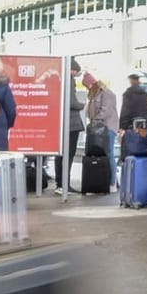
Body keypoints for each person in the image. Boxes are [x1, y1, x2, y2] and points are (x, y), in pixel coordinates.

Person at [83, 72, 118, 189]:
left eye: (88, 86)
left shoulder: (106, 93)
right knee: (102, 155)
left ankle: (112, 183)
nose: (87, 89)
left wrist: (94, 120)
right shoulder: (95, 93)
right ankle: (105, 181)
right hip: (98, 129)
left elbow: (105, 111)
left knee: (109, 153)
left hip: (108, 128)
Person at [59, 59, 83, 194]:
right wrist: (82, 105)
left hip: (61, 123)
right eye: (76, 72)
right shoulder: (69, 79)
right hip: (71, 124)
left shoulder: (59, 78)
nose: (76, 75)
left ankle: (60, 184)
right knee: (69, 154)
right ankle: (65, 184)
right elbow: (71, 102)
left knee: (60, 154)